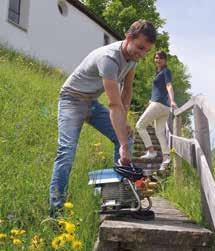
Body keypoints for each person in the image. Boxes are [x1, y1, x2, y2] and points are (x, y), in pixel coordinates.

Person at [49, 20, 156, 215]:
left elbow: (127, 91)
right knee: (67, 151)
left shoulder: (132, 59)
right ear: (128, 37)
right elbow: (114, 104)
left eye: (146, 51)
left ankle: (120, 198)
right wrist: (123, 143)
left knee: (127, 135)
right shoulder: (109, 58)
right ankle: (56, 210)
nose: (141, 54)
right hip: (71, 100)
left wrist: (123, 126)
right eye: (140, 47)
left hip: (90, 102)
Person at [136, 51, 177, 170]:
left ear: (165, 60)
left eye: (159, 58)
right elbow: (159, 89)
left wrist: (172, 100)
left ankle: (151, 151)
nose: (157, 60)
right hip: (163, 107)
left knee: (139, 126)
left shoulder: (165, 71)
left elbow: (169, 86)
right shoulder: (158, 73)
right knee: (159, 133)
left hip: (159, 104)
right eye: (155, 58)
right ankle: (166, 158)